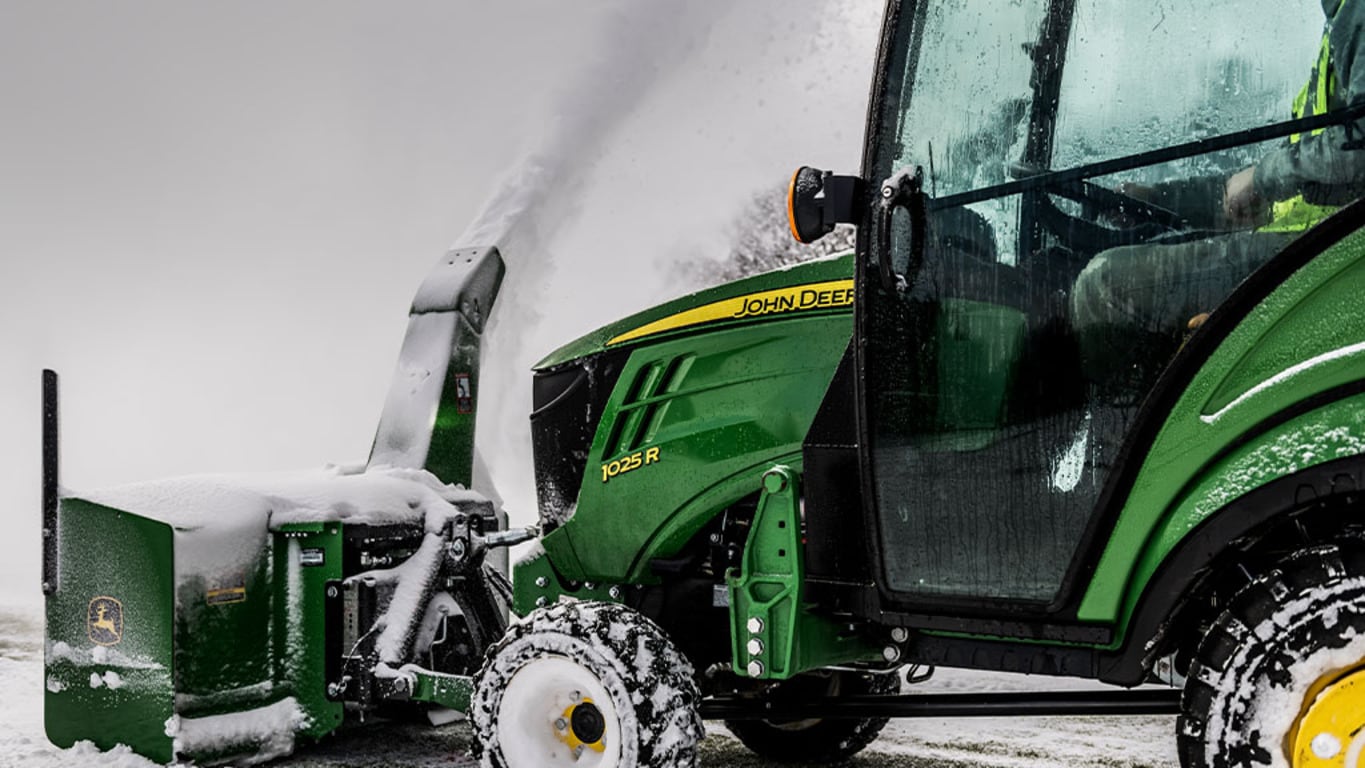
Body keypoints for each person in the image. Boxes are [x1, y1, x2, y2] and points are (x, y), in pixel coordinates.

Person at [1070, 0, 1365, 396]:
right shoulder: (1341, 22)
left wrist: (1263, 177)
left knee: (1103, 285)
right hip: (1316, 249)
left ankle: (1136, 441)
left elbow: (1358, 149)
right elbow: (1253, 197)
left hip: (1330, 258)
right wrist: (1160, 197)